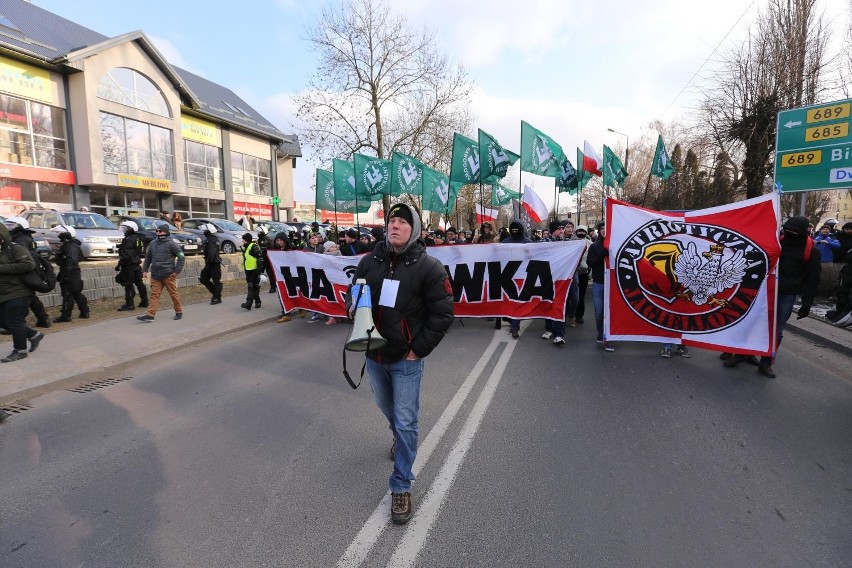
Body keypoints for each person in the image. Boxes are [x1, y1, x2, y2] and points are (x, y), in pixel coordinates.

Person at [348, 203, 454, 525]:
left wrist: (418, 349)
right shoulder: (369, 261)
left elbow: (443, 313)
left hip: (406, 359)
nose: (394, 225)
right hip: (375, 354)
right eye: (391, 220)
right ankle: (399, 438)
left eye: (402, 222)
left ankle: (401, 486)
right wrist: (352, 308)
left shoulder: (429, 267)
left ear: (415, 229)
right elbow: (354, 296)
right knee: (388, 409)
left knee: (407, 420)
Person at [723, 215, 820, 377]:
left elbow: (813, 278)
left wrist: (807, 303)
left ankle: (766, 362)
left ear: (803, 232)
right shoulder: (776, 242)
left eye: (794, 231)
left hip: (787, 294)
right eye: (787, 230)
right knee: (753, 322)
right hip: (764, 290)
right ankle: (742, 354)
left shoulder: (810, 251)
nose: (789, 233)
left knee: (777, 330)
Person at [0, 222, 44, 363]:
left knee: (13, 321)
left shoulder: (15, 248)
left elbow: (28, 264)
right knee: (3, 322)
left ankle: (20, 350)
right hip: (4, 293)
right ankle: (33, 334)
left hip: (20, 292)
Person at [4, 217, 50, 327]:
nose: (9, 228)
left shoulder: (21, 239)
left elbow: (21, 257)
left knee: (24, 296)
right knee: (30, 296)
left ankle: (19, 322)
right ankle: (43, 319)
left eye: (12, 226)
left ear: (21, 227)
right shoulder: (20, 237)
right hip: (26, 270)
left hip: (24, 271)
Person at [137, 223, 185, 322]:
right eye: (157, 231)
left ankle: (179, 312)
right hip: (155, 275)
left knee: (173, 294)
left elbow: (181, 257)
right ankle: (150, 315)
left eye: (160, 231)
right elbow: (148, 258)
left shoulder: (172, 244)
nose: (158, 233)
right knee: (154, 295)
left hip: (168, 274)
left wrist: (176, 271)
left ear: (166, 232)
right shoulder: (152, 243)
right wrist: (145, 270)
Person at [52, 225, 89, 323]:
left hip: (70, 272)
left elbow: (71, 260)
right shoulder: (69, 245)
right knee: (76, 293)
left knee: (68, 294)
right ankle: (85, 312)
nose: (59, 235)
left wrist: (67, 273)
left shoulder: (70, 246)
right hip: (71, 271)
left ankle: (66, 316)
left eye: (61, 233)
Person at [502, 221, 532, 340]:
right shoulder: (505, 242)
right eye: (512, 229)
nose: (515, 231)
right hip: (508, 275)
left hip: (522, 276)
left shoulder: (528, 243)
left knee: (517, 300)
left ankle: (515, 325)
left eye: (517, 229)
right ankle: (511, 319)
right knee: (510, 300)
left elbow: (533, 256)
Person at [587, 221, 614, 352]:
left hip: (613, 284)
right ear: (599, 231)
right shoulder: (594, 246)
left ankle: (608, 337)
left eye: (606, 228)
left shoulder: (614, 244)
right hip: (599, 283)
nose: (604, 230)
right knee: (599, 311)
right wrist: (602, 254)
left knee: (611, 312)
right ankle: (600, 332)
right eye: (602, 228)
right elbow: (590, 263)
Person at [115, 220, 149, 311]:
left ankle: (129, 304)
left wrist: (120, 264)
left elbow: (127, 254)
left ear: (131, 229)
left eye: (126, 229)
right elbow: (135, 249)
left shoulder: (128, 239)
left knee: (128, 284)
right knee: (139, 283)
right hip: (136, 264)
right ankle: (144, 301)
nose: (124, 231)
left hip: (129, 265)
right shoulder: (138, 238)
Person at [199, 223, 223, 305]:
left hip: (213, 263)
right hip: (210, 263)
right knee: (203, 279)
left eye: (204, 230)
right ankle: (216, 293)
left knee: (216, 280)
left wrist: (208, 262)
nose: (203, 232)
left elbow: (212, 253)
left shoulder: (211, 240)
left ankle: (217, 298)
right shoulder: (210, 239)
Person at [240, 232, 264, 310]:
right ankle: (258, 301)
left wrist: (259, 270)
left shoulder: (253, 246)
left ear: (246, 240)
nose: (242, 240)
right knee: (254, 287)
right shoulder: (246, 247)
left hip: (254, 270)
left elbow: (260, 258)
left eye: (243, 239)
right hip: (248, 269)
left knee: (251, 286)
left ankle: (248, 303)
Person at [574, 225, 591, 324]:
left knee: (581, 296)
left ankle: (579, 315)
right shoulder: (571, 243)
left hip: (584, 274)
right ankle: (570, 314)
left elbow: (591, 259)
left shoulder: (590, 244)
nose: (581, 233)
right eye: (579, 231)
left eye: (583, 231)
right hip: (572, 274)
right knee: (572, 296)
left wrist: (590, 273)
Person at [256, 225, 276, 293]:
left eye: (259, 232)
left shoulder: (269, 240)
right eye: (258, 232)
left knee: (270, 274)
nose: (258, 234)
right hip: (260, 260)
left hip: (267, 260)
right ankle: (257, 288)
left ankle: (273, 287)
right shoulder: (258, 241)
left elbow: (272, 250)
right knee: (258, 274)